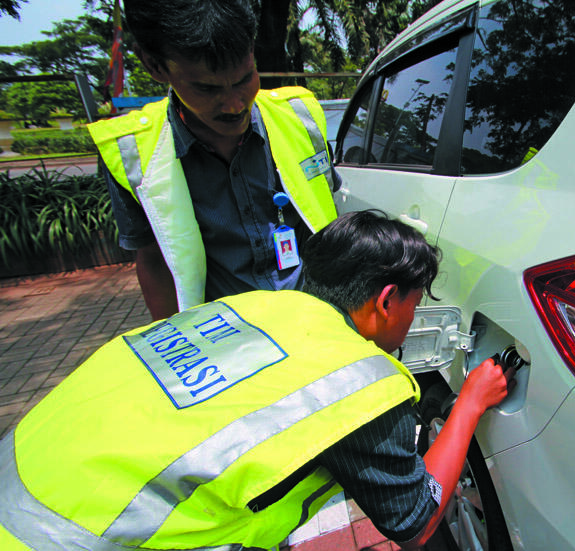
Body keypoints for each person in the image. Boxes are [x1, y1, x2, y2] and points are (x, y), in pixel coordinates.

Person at [0, 211, 513, 551]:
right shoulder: (359, 384)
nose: (415, 316)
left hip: (19, 474)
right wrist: (468, 404)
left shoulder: (250, 305)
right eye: (415, 303)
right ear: (384, 301)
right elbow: (416, 520)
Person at [88, 0, 338, 321]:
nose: (235, 105)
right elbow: (152, 258)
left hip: (316, 320)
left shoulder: (300, 116)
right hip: (224, 342)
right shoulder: (133, 152)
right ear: (154, 66)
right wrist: (175, 341)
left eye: (245, 78)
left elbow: (327, 216)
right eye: (207, 88)